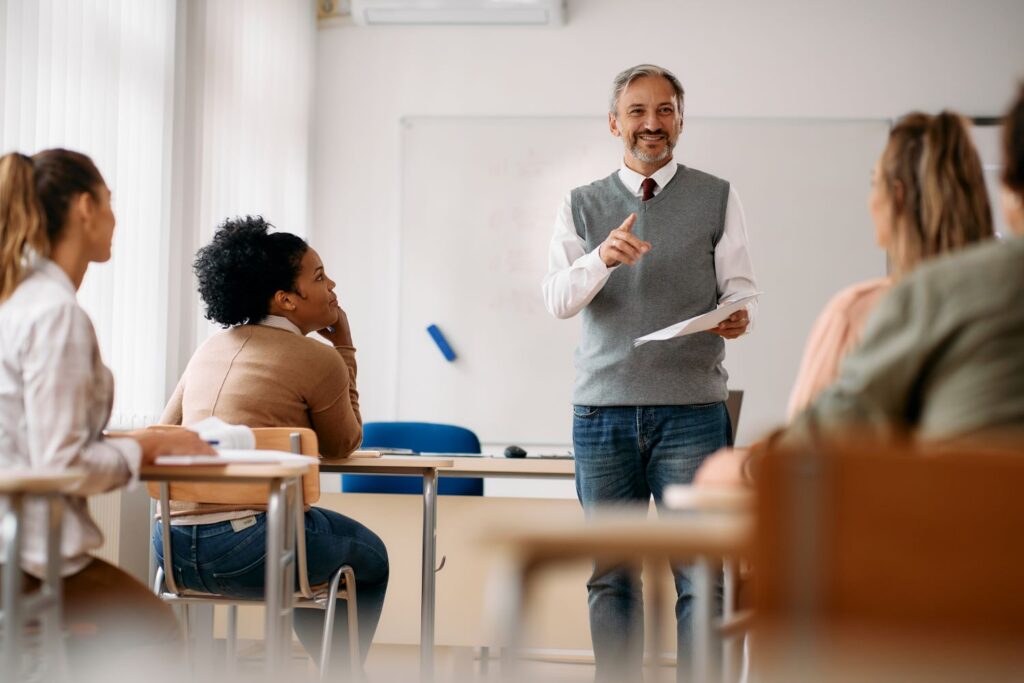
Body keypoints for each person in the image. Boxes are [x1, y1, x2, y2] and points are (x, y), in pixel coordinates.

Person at [541, 64, 757, 680]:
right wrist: (601, 258)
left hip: (692, 412)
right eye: (637, 111)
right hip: (601, 413)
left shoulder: (717, 195)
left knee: (702, 574)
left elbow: (740, 291)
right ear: (615, 123)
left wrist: (736, 317)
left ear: (681, 121)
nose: (651, 123)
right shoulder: (580, 204)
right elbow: (557, 299)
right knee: (611, 574)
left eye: (664, 110)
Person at [697, 83, 1024, 488]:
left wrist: (740, 469)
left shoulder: (881, 307)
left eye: (875, 182)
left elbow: (808, 449)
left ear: (897, 197)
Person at [0, 149, 214, 672]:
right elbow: (63, 464)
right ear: (84, 207)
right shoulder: (55, 316)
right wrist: (147, 447)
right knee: (155, 633)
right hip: (22, 556)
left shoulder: (19, 303)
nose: (116, 218)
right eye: (110, 203)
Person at [155, 216, 388, 672]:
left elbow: (164, 432)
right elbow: (343, 444)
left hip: (171, 548)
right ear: (286, 300)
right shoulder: (318, 358)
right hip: (253, 549)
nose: (332, 284)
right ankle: (340, 674)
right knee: (371, 557)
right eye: (318, 277)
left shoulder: (209, 349)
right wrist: (345, 348)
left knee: (298, 534)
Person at [786, 111, 993, 418]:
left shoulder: (855, 315)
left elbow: (795, 453)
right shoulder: (1003, 307)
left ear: (898, 196)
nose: (870, 200)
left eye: (875, 182)